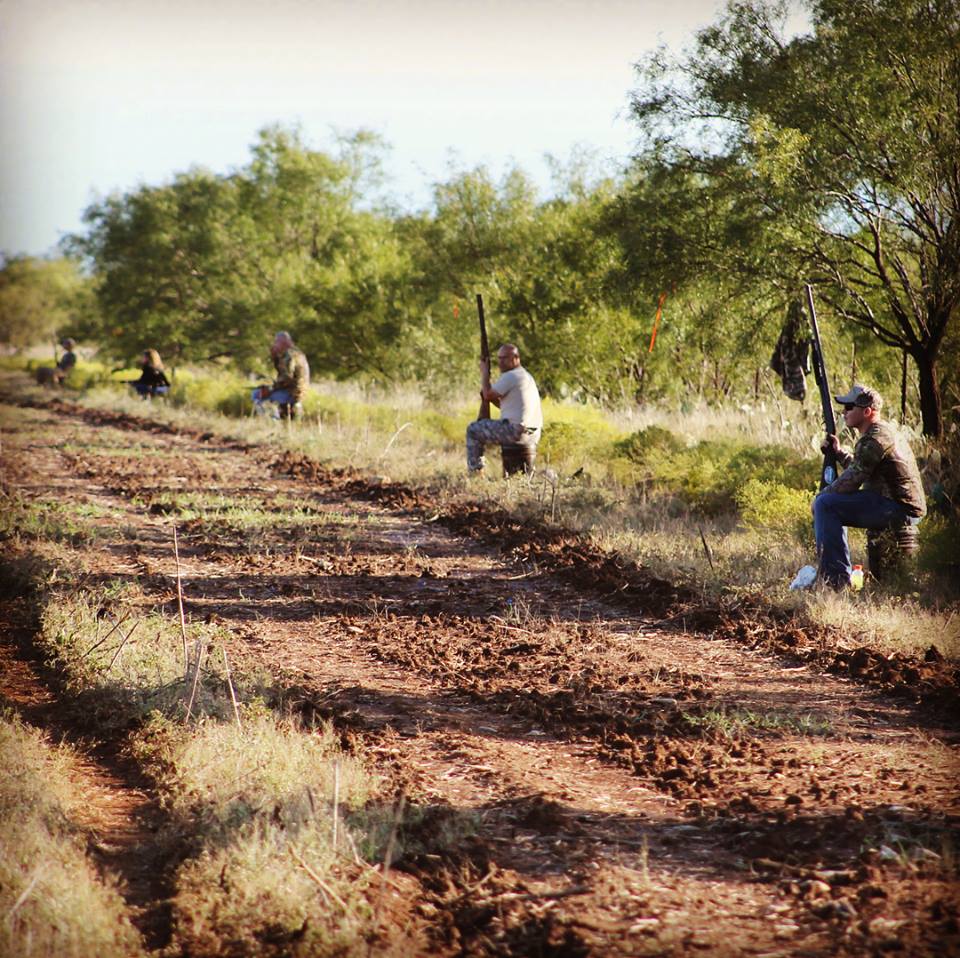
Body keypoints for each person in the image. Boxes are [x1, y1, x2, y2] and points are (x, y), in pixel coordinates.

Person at [812, 384, 926, 588]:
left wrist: (820, 498)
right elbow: (863, 468)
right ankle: (837, 577)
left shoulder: (876, 437)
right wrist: (838, 453)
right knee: (827, 502)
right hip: (893, 505)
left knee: (826, 504)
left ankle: (836, 581)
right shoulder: (876, 434)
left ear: (867, 411)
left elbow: (853, 480)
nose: (844, 412)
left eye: (849, 407)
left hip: (899, 509)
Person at [466, 343, 542, 474]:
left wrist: (485, 373)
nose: (500, 362)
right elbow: (504, 404)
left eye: (504, 358)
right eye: (499, 358)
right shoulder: (525, 376)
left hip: (515, 431)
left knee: (473, 430)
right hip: (531, 435)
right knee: (483, 426)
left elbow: (488, 394)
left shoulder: (512, 375)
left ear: (516, 358)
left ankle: (476, 473)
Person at [252, 331, 310, 419]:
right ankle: (280, 417)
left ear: (283, 342)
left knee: (256, 394)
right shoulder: (297, 353)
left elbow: (287, 379)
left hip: (292, 393)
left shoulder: (289, 356)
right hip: (300, 392)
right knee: (262, 392)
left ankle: (272, 421)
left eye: (276, 342)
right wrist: (275, 358)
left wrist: (270, 389)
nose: (275, 345)